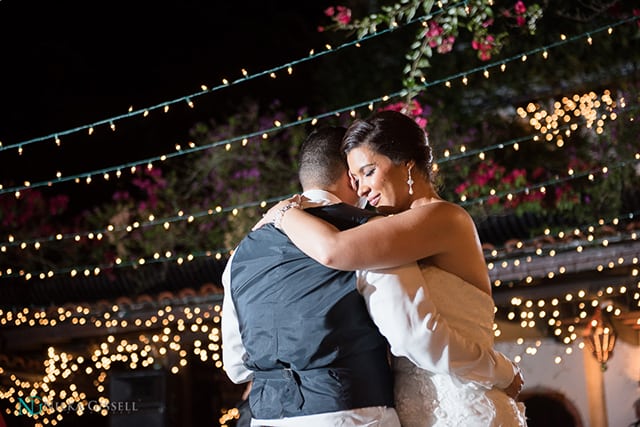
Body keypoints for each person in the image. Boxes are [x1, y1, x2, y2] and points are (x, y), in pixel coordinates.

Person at [223, 125, 523, 427]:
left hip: (268, 417)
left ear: (405, 164)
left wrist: (283, 212)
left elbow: (237, 367)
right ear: (347, 179)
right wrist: (501, 371)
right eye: (357, 177)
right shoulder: (367, 233)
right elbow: (412, 335)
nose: (363, 189)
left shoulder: (242, 254)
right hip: (356, 413)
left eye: (367, 172)